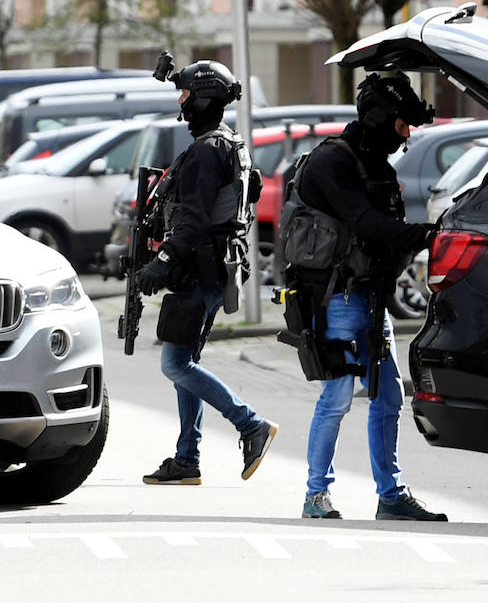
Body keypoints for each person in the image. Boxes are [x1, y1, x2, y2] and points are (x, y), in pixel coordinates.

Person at [295, 72, 447, 521]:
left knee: (387, 398)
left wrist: (419, 238)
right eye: (403, 125)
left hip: (371, 295)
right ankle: (315, 495)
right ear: (383, 117)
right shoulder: (334, 162)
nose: (405, 136)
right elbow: (365, 223)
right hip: (338, 298)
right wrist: (425, 235)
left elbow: (386, 235)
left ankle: (390, 495)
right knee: (338, 395)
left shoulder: (375, 164)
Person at [136, 59, 277, 485]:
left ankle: (250, 424)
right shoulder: (231, 144)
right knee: (186, 361)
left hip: (199, 269)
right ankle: (186, 459)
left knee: (175, 364)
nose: (181, 104)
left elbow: (194, 220)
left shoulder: (205, 151)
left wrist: (162, 262)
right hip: (216, 267)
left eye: (184, 96)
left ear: (201, 100)